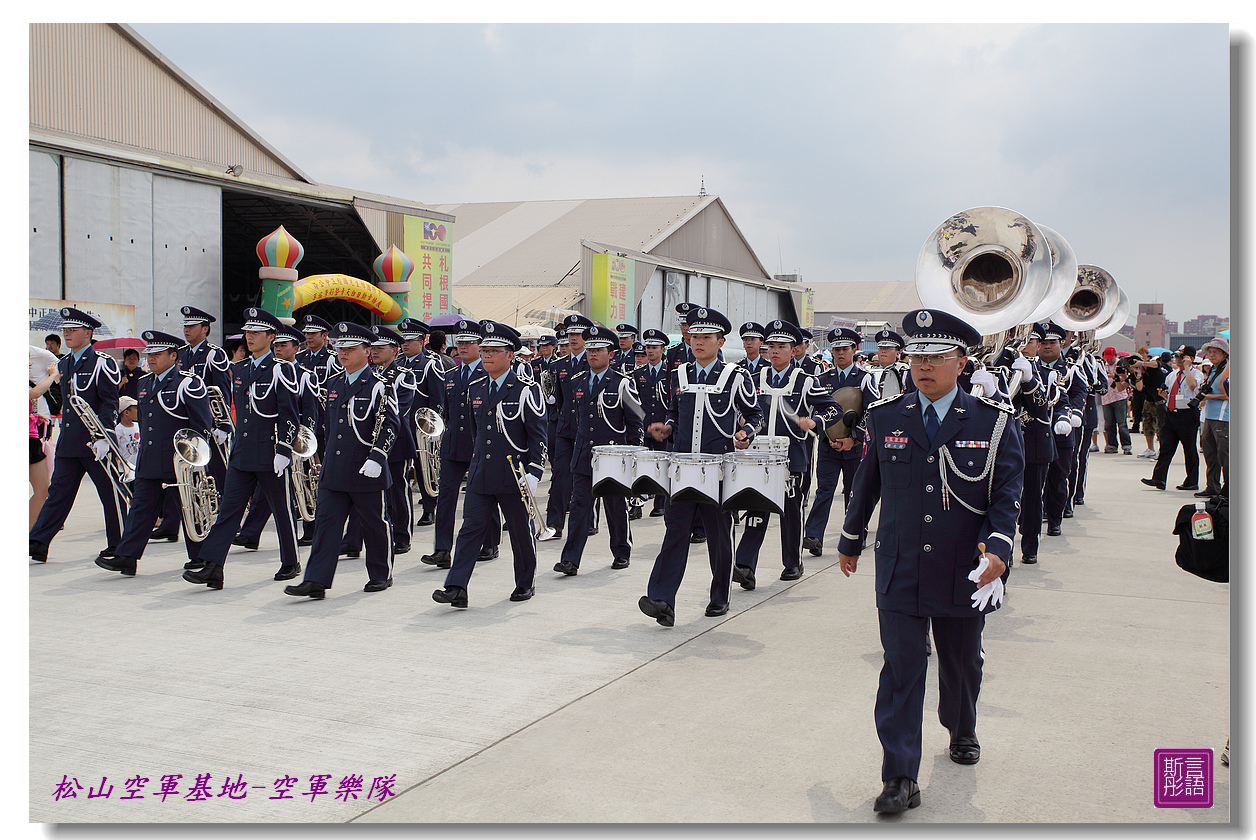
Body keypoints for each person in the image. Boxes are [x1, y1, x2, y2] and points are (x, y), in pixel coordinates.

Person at [837, 308, 1025, 815]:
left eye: (937, 357)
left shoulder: (993, 422)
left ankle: (961, 726)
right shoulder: (886, 416)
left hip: (964, 565)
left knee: (961, 662)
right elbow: (867, 483)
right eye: (917, 356)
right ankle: (899, 775)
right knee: (900, 669)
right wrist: (850, 538)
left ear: (962, 362)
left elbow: (1006, 496)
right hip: (899, 565)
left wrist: (1000, 550)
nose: (924, 366)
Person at [639, 306, 762, 626]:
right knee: (675, 532)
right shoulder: (677, 375)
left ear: (720, 342)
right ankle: (662, 599)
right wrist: (665, 428)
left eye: (706, 337)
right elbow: (672, 413)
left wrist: (746, 433)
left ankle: (719, 596)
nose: (699, 343)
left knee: (719, 535)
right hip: (681, 468)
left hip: (718, 469)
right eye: (695, 337)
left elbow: (755, 415)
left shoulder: (736, 376)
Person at [182, 308, 302, 589]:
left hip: (270, 453)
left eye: (256, 333)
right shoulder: (240, 369)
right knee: (228, 511)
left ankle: (290, 561)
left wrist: (284, 449)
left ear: (271, 337)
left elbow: (289, 415)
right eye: (247, 332)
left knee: (282, 509)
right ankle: (213, 566)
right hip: (242, 452)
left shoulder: (281, 370)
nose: (249, 337)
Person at [432, 321, 548, 607]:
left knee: (521, 532)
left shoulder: (525, 389)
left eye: (494, 351)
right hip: (482, 474)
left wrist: (534, 472)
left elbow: (539, 436)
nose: (486, 356)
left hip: (514, 474)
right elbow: (477, 433)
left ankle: (525, 582)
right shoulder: (476, 388)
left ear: (510, 355)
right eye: (484, 350)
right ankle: (456, 586)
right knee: (470, 529)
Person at [285, 322, 400, 599]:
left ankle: (381, 573)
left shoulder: (379, 386)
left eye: (350, 348)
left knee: (374, 524)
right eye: (340, 348)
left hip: (365, 468)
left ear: (366, 352)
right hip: (335, 470)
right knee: (326, 525)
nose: (343, 353)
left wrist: (377, 457)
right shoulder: (334, 383)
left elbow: (389, 425)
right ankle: (316, 579)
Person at [95, 331, 215, 577]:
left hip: (178, 460)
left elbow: (201, 425)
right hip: (149, 459)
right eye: (149, 354)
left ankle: (202, 557)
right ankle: (127, 557)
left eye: (157, 355)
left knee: (189, 508)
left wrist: (193, 460)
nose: (150, 359)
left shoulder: (188, 383)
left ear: (173, 356)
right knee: (141, 508)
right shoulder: (145, 382)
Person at [732, 320, 840, 589]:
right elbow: (740, 413)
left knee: (790, 513)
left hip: (793, 458)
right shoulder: (754, 381)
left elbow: (833, 409)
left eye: (782, 347)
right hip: (759, 459)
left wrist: (814, 422)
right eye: (772, 347)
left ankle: (792, 563)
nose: (776, 351)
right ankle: (745, 565)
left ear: (794, 350)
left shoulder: (805, 382)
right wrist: (743, 432)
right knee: (756, 509)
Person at [30, 308, 128, 565]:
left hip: (97, 442)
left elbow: (109, 403)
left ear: (88, 332)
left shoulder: (102, 363)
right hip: (70, 442)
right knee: (58, 492)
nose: (67, 334)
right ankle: (38, 542)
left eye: (73, 330)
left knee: (111, 494)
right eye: (66, 330)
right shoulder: (64, 364)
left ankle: (120, 546)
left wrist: (106, 437)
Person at [553, 324, 642, 576]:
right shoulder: (577, 381)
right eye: (590, 349)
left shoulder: (623, 383)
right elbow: (573, 420)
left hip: (612, 457)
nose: (593, 354)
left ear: (610, 354)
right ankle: (570, 559)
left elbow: (636, 423)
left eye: (599, 350)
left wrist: (632, 457)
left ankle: (621, 551)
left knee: (615, 507)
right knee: (580, 506)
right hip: (583, 456)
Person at [232, 324, 325, 551]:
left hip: (295, 442)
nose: (279, 349)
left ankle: (310, 529)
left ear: (295, 349)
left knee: (300, 490)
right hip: (268, 443)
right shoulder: (262, 369)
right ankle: (251, 533)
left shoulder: (304, 376)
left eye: (284, 346)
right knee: (267, 493)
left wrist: (302, 445)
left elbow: (309, 413)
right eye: (278, 345)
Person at [420, 319, 500, 569]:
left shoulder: (488, 374)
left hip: (480, 446)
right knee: (445, 498)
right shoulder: (451, 374)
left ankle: (490, 543)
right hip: (453, 445)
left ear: (480, 345)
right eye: (460, 342)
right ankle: (442, 549)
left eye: (469, 343)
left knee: (486, 495)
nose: (463, 347)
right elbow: (445, 410)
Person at [151, 305, 235, 543]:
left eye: (192, 326)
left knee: (215, 474)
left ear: (205, 329)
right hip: (182, 424)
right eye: (185, 326)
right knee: (176, 473)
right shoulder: (181, 353)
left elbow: (221, 391)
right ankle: (170, 524)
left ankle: (220, 520)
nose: (186, 330)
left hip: (207, 425)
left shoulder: (214, 354)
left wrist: (222, 425)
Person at [801, 326, 879, 557]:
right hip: (829, 446)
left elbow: (871, 411)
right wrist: (826, 436)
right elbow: (817, 411)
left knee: (854, 493)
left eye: (845, 349)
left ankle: (854, 534)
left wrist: (853, 438)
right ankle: (813, 536)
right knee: (824, 490)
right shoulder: (822, 379)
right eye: (836, 350)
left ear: (855, 350)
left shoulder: (864, 380)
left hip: (854, 447)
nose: (840, 354)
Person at [542, 313, 594, 541]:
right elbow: (556, 400)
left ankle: (589, 520)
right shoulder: (558, 365)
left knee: (587, 476)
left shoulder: (592, 362)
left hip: (588, 428)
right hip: (563, 428)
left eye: (577, 334)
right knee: (560, 475)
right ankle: (554, 524)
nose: (573, 338)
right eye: (569, 334)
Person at [1036, 322, 1085, 535]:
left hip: (1062, 431)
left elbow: (1079, 393)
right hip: (1037, 432)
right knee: (1034, 480)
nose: (1048, 347)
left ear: (1061, 343)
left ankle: (1055, 519)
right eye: (1043, 343)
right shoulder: (1029, 369)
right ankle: (1034, 517)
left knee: (1058, 477)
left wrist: (1073, 414)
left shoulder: (1072, 369)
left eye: (1052, 343)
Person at [398, 317, 447, 528]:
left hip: (420, 428)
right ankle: (397, 508)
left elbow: (437, 400)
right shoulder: (398, 364)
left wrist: (432, 430)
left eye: (411, 340)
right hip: (400, 426)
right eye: (403, 340)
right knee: (400, 469)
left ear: (422, 341)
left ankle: (429, 507)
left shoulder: (429, 365)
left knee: (424, 467)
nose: (405, 344)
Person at [1142, 345, 1202, 491]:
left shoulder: (1196, 374)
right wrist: (1164, 396)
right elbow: (1169, 393)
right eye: (1177, 356)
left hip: (1187, 415)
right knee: (1166, 447)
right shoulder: (1172, 375)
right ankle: (1159, 478)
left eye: (1182, 357)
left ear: (1190, 359)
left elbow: (1192, 385)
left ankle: (1191, 481)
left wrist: (1187, 368)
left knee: (1189, 449)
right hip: (1171, 414)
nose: (1178, 359)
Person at [631, 329, 672, 518]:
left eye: (654, 348)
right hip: (645, 428)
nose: (650, 351)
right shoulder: (638, 373)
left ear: (663, 350)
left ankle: (660, 504)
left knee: (663, 466)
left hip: (664, 428)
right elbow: (634, 402)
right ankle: (637, 504)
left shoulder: (670, 373)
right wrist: (641, 421)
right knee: (641, 467)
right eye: (648, 347)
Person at [1196, 337, 1229, 498]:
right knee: (1210, 453)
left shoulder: (1227, 370)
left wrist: (1209, 398)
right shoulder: (1213, 370)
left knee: (1224, 455)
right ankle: (1212, 487)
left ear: (1225, 354)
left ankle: (1228, 489)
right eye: (1209, 352)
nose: (1211, 354)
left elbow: (1229, 395)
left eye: (1215, 352)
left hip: (1223, 418)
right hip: (1209, 416)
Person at [29, 363, 58, 529]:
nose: (30, 363)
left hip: (32, 438)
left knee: (43, 490)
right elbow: (35, 393)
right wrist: (52, 375)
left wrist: (32, 416)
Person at [1134, 352, 1168, 458]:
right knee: (1147, 425)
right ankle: (1150, 449)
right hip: (1149, 400)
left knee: (1161, 426)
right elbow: (1139, 388)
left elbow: (1156, 364)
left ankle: (1163, 451)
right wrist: (1139, 373)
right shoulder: (1137, 373)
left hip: (1161, 400)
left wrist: (1142, 363)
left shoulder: (1153, 367)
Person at [1100, 347, 1132, 454]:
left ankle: (1126, 445)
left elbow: (1126, 378)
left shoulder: (1120, 364)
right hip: (1106, 398)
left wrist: (1114, 375)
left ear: (1115, 355)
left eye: (1110, 358)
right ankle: (1112, 445)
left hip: (1119, 397)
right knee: (1109, 424)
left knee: (1122, 423)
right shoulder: (1103, 366)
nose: (1109, 361)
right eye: (1107, 358)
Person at [113, 396, 141, 497]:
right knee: (125, 494)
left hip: (137, 468)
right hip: (123, 470)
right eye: (135, 409)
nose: (138, 411)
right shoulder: (118, 430)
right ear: (126, 413)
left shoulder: (138, 426)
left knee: (137, 495)